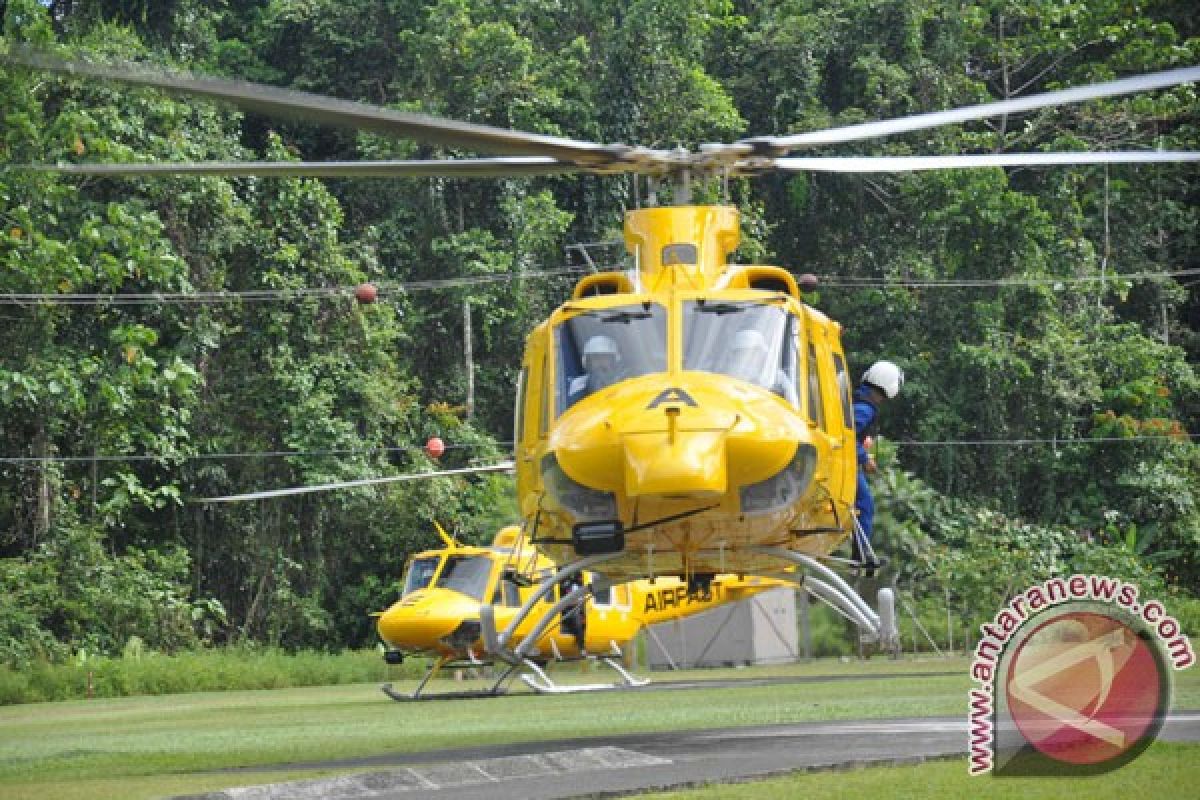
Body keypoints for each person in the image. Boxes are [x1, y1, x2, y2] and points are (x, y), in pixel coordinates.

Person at [853, 360, 903, 567]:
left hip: (846, 460)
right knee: (865, 504)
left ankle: (860, 551)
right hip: (844, 464)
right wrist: (864, 459)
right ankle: (861, 554)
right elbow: (845, 435)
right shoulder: (865, 408)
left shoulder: (860, 400)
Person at [569, 335, 624, 401]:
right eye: (596, 358)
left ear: (614, 361)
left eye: (605, 357)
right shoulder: (578, 385)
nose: (601, 362)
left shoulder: (624, 382)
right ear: (587, 362)